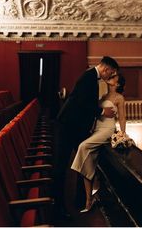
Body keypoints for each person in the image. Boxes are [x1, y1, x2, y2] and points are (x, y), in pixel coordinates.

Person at [54, 56, 119, 219]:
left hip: (76, 127)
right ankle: (57, 207)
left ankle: (79, 200)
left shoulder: (91, 77)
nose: (110, 76)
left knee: (83, 159)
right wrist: (102, 112)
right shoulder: (88, 77)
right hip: (68, 126)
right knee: (61, 166)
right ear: (106, 68)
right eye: (111, 72)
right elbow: (81, 103)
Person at [71, 73, 126, 213]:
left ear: (117, 84)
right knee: (87, 161)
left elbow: (122, 118)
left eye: (114, 78)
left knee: (83, 146)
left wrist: (122, 133)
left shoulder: (119, 98)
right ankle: (89, 200)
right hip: (97, 129)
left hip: (107, 130)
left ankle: (91, 193)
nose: (111, 78)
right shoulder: (103, 97)